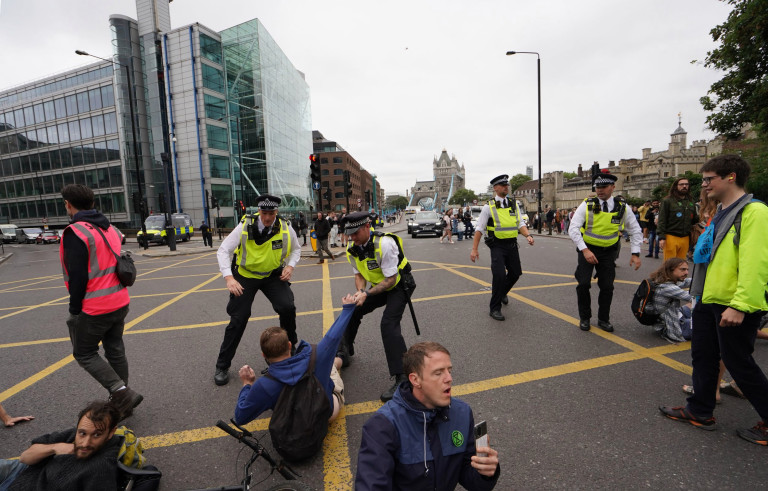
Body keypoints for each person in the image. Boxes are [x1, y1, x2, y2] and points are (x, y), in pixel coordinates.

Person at [660, 154, 768, 446]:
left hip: (732, 302)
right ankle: (700, 411)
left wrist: (741, 305)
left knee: (739, 363)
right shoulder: (721, 210)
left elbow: (755, 263)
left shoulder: (754, 212)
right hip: (708, 297)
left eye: (709, 179)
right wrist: (697, 296)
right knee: (703, 356)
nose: (704, 184)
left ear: (730, 177)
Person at [355, 342, 500, 490]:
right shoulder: (383, 426)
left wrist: (485, 472)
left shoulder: (461, 413)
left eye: (449, 370)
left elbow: (472, 480)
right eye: (438, 373)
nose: (449, 378)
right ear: (415, 380)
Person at [59, 184, 142, 419]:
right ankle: (124, 403)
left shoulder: (76, 232)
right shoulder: (111, 229)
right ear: (93, 203)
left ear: (68, 204)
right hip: (119, 301)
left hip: (95, 307)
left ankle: (121, 392)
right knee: (115, 349)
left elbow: (78, 277)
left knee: (84, 353)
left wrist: (75, 309)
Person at [213, 195, 300, 386]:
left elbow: (296, 249)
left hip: (272, 275)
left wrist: (290, 266)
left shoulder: (285, 227)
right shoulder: (245, 226)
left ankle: (290, 353)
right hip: (245, 275)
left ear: (276, 212)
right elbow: (223, 250)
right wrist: (229, 278)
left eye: (271, 213)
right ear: (258, 211)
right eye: (264, 213)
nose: (267, 218)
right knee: (239, 317)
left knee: (287, 307)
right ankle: (222, 365)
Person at [234, 294, 356, 426]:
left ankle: (339, 361)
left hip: (294, 424)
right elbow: (332, 337)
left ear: (264, 355)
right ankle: (341, 359)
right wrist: (348, 309)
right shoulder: (316, 356)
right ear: (289, 345)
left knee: (271, 398)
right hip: (325, 415)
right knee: (329, 365)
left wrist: (247, 384)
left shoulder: (263, 385)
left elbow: (241, 417)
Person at [336, 212, 413, 402]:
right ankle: (344, 351)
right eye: (350, 234)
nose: (352, 238)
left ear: (367, 226)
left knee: (388, 325)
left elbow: (390, 280)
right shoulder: (352, 248)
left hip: (399, 284)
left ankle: (403, 379)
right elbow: (359, 275)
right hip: (379, 286)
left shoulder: (385, 244)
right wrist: (359, 293)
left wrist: (367, 294)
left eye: (355, 233)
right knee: (352, 309)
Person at [568, 173, 642, 332]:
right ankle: (585, 317)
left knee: (607, 287)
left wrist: (636, 253)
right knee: (583, 284)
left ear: (613, 187)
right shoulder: (587, 204)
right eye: (597, 187)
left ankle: (603, 319)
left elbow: (635, 230)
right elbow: (573, 228)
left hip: (609, 252)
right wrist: (585, 250)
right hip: (587, 249)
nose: (600, 190)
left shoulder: (622, 207)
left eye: (604, 187)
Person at [0, 401, 125, 491]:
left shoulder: (101, 468)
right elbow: (25, 458)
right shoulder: (74, 434)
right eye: (82, 433)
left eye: (96, 435)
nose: (85, 443)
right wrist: (54, 447)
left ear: (111, 433)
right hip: (22, 471)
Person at [470, 175, 535, 321]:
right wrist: (474, 249)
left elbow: (520, 224)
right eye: (502, 185)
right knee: (499, 275)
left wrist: (528, 235)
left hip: (512, 244)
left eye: (507, 185)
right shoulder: (489, 207)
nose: (506, 187)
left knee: (515, 273)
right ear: (495, 188)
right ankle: (494, 308)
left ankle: (503, 292)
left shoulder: (513, 204)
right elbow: (480, 229)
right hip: (497, 246)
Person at [648, 258, 692, 343]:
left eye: (687, 269)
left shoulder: (664, 280)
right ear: (671, 270)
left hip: (674, 314)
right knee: (709, 325)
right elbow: (692, 297)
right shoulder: (667, 287)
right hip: (674, 326)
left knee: (691, 308)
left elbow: (687, 282)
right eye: (682, 269)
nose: (686, 272)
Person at [657, 177, 698, 261]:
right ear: (676, 186)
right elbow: (662, 220)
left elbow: (694, 220)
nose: (684, 186)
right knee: (669, 265)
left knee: (681, 264)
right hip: (671, 236)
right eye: (681, 184)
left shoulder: (690, 202)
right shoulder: (667, 201)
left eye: (686, 184)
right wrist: (662, 237)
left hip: (685, 237)